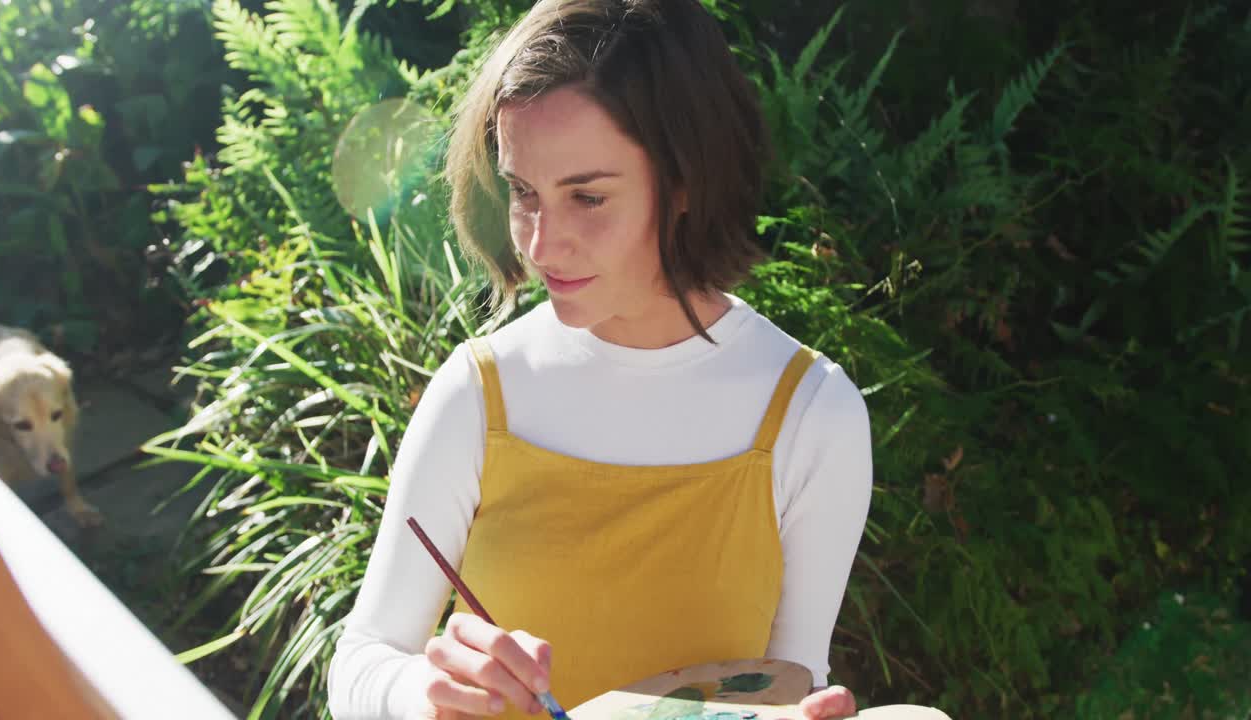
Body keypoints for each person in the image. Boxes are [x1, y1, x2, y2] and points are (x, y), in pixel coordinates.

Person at [327, 1, 873, 719]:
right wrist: (422, 694)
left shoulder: (814, 415)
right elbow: (361, 661)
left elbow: (786, 686)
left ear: (685, 182)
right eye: (523, 193)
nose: (542, 245)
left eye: (587, 197)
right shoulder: (479, 390)